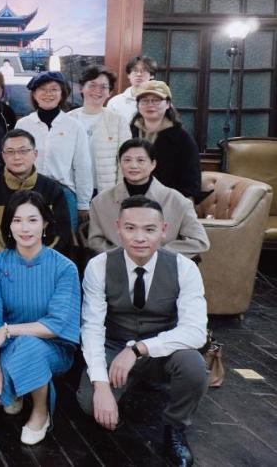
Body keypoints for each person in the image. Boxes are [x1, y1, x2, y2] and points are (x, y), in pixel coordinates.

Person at [78, 196, 208, 467]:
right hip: (114, 345)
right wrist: (100, 386)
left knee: (194, 366)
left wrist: (138, 349)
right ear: (118, 228)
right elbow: (92, 328)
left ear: (163, 230)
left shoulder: (184, 268)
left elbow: (196, 331)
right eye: (130, 228)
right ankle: (127, 384)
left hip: (162, 349)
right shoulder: (99, 266)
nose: (139, 238)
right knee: (90, 404)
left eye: (149, 229)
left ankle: (175, 427)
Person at [0, 190, 81, 446]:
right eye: (17, 220)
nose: (24, 228)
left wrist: (7, 330)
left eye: (32, 220)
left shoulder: (64, 267)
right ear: (8, 226)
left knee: (29, 346)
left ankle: (41, 412)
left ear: (45, 224)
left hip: (52, 346)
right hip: (4, 345)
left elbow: (55, 325)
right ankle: (19, 385)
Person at [87, 139, 208, 258]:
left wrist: (159, 255)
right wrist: (122, 257)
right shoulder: (100, 202)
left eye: (140, 160)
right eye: (127, 160)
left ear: (153, 164)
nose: (133, 166)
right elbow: (95, 240)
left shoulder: (178, 201)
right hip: (117, 265)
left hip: (163, 265)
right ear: (120, 163)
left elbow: (199, 241)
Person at [0, 129, 75, 260]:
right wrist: (7, 260)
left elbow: (62, 232)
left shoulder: (52, 189)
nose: (17, 157)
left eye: (23, 151)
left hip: (44, 262)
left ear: (35, 154)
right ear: (3, 156)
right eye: (10, 152)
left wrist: (39, 259)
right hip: (1, 263)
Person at [15, 71, 93, 230]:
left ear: (62, 94)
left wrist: (83, 203)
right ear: (34, 94)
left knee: (64, 239)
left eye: (54, 89)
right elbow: (14, 162)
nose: (48, 94)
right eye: (42, 89)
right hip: (28, 192)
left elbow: (83, 166)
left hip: (62, 193)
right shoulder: (23, 125)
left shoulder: (74, 126)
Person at [130, 81, 202, 201]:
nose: (150, 105)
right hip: (132, 200)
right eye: (144, 101)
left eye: (156, 100)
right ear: (138, 105)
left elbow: (191, 182)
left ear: (168, 104)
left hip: (169, 201)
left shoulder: (182, 138)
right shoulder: (129, 133)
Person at [72, 66, 128, 194]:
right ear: (81, 88)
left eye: (104, 87)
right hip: (74, 188)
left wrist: (120, 192)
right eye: (92, 85)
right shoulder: (68, 119)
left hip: (106, 191)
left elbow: (125, 158)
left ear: (110, 92)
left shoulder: (118, 120)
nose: (97, 90)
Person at [107, 55, 157, 125]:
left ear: (152, 75)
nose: (139, 74)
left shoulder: (160, 101)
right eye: (135, 70)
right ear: (128, 75)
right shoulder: (115, 102)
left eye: (144, 70)